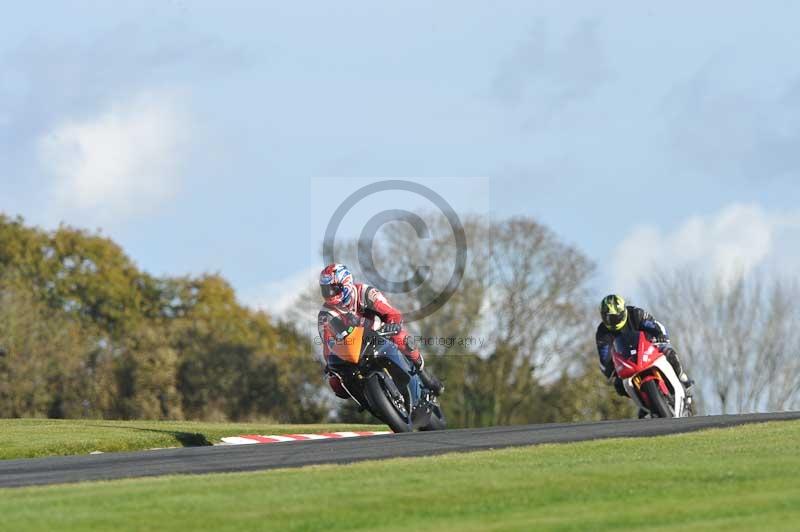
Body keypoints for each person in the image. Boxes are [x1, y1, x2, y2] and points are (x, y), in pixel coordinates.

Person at [317, 263, 444, 399]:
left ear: (346, 284)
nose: (330, 294)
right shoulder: (326, 314)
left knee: (402, 339)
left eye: (334, 289)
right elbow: (327, 345)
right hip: (352, 348)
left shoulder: (364, 292)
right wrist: (330, 363)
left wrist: (393, 325)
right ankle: (367, 399)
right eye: (326, 290)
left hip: (380, 333)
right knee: (336, 384)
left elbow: (392, 313)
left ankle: (425, 376)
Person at [596, 294, 693, 400]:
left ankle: (683, 380)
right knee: (619, 385)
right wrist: (610, 371)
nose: (612, 321)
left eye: (615, 317)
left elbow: (655, 325)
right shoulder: (602, 332)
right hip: (627, 362)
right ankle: (645, 404)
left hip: (649, 349)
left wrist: (660, 336)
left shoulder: (636, 314)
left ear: (623, 311)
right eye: (608, 318)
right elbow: (604, 356)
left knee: (669, 353)